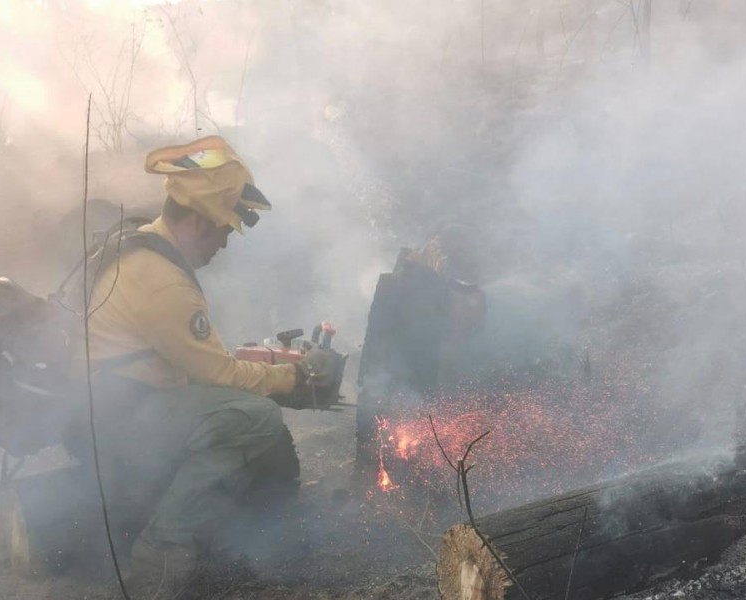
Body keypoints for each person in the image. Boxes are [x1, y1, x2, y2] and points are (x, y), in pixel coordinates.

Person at [68, 136, 342, 596]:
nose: (225, 244)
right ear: (198, 221)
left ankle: (212, 523)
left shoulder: (142, 245)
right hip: (117, 416)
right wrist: (294, 378)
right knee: (255, 417)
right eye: (225, 231)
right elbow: (220, 375)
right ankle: (163, 548)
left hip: (109, 401)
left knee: (234, 410)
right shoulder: (163, 282)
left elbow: (195, 358)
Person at [355, 225, 487, 464]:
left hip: (426, 374)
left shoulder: (447, 291)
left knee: (419, 423)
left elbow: (460, 332)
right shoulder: (403, 285)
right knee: (387, 424)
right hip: (397, 374)